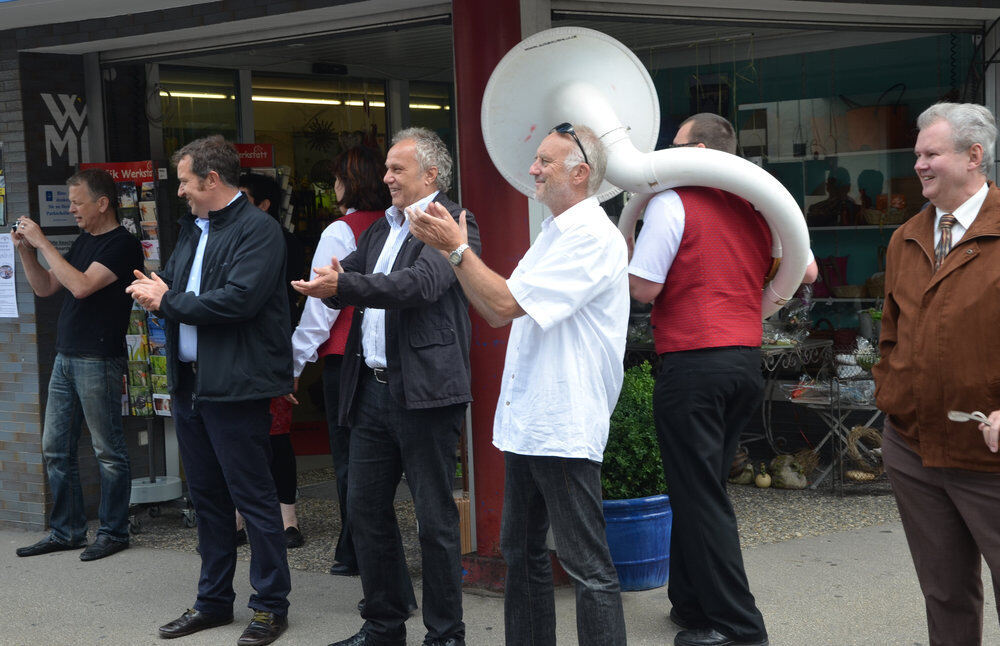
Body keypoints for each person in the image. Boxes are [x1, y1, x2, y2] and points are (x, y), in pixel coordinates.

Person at [409, 122, 629, 646]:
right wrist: (453, 251)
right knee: (522, 553)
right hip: (532, 421)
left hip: (563, 421)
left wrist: (457, 250)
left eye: (544, 162)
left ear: (580, 174)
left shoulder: (592, 237)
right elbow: (493, 309)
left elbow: (503, 303)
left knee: (586, 565)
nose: (532, 168)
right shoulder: (555, 232)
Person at [292, 127, 479, 646]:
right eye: (387, 169)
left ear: (431, 175)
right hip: (371, 391)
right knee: (365, 509)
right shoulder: (382, 228)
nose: (386, 177)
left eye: (397, 169)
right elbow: (349, 275)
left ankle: (446, 635)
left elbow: (418, 286)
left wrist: (343, 285)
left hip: (424, 394)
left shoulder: (455, 223)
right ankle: (383, 625)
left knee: (435, 521)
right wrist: (324, 286)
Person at [128, 136, 291, 646]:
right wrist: (156, 290)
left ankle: (269, 606)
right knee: (208, 499)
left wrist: (167, 299)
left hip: (236, 385)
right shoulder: (193, 231)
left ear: (212, 180)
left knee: (254, 498)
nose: (179, 191)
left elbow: (238, 301)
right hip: (191, 383)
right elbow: (175, 287)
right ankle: (214, 602)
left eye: (184, 181)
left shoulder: (259, 230)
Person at [629, 113, 772, 646]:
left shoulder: (672, 202)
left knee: (701, 495)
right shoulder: (756, 205)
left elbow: (643, 288)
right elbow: (802, 272)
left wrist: (621, 256)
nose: (669, 153)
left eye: (677, 145)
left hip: (693, 362)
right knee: (699, 488)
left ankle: (739, 627)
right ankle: (690, 604)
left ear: (701, 151)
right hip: (743, 359)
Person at [873, 102, 1000, 646]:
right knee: (944, 594)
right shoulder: (905, 238)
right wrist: (892, 395)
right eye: (917, 154)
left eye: (932, 153)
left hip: (989, 453)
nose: (920, 164)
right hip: (913, 447)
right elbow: (891, 334)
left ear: (974, 156)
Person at [284, 146, 414, 604]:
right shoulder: (388, 226)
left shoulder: (345, 229)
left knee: (353, 464)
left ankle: (355, 549)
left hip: (348, 359)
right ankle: (358, 550)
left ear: (349, 182)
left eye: (337, 178)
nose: (333, 188)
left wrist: (293, 366)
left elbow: (319, 308)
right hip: (392, 360)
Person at [12, 169, 142, 562]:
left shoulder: (123, 245)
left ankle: (114, 531)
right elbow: (46, 287)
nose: (71, 209)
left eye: (77, 202)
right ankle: (67, 530)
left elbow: (82, 286)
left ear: (102, 203)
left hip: (98, 356)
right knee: (54, 447)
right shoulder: (86, 241)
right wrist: (25, 250)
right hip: (67, 355)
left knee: (107, 449)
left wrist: (43, 241)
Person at [236, 172, 306, 550]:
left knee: (277, 437)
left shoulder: (284, 242)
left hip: (273, 347)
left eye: (243, 197)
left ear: (264, 206)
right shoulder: (220, 237)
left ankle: (287, 520)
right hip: (232, 351)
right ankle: (237, 519)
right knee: (237, 437)